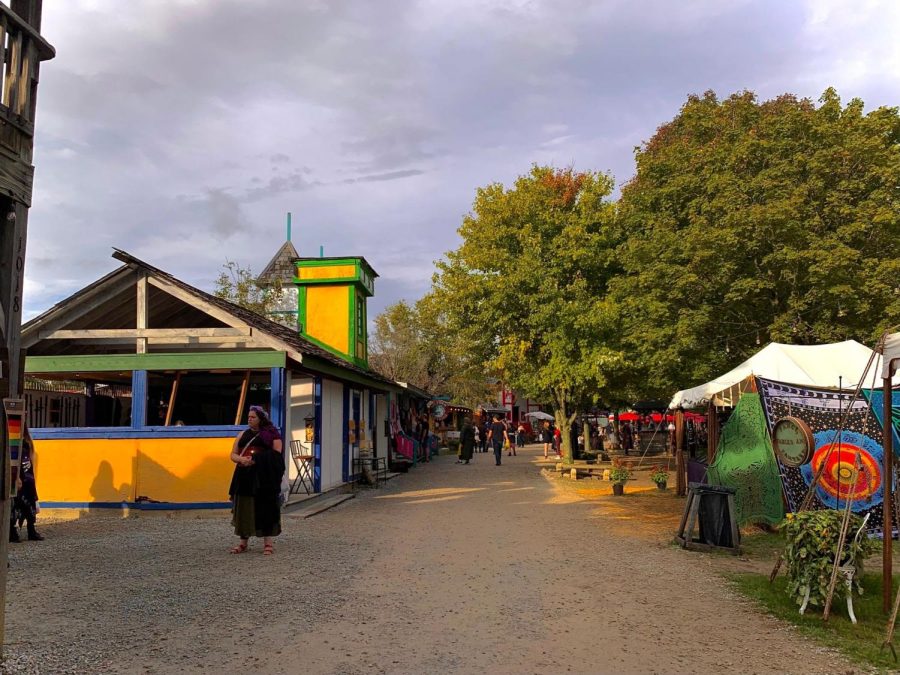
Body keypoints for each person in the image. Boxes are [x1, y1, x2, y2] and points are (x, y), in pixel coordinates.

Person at [228, 405, 284, 555]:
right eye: (248, 417)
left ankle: (268, 543)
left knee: (265, 507)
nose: (250, 419)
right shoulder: (242, 434)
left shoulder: (272, 435)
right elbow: (233, 455)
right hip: (244, 476)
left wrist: (256, 459)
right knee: (244, 508)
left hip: (263, 477)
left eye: (253, 417)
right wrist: (241, 459)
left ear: (261, 419)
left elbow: (277, 454)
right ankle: (243, 542)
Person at [10, 424, 43, 543]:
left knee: (30, 504)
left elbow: (31, 458)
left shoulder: (27, 440)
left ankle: (31, 530)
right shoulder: (12, 439)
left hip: (28, 477)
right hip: (18, 476)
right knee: (16, 504)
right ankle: (11, 532)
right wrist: (16, 477)